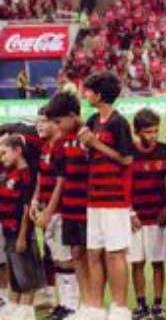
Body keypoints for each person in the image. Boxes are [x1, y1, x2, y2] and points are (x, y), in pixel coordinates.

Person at [80, 71, 135, 320]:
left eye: (88, 90)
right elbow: (90, 154)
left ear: (99, 94)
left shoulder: (118, 122)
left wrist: (95, 143)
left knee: (115, 253)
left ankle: (120, 307)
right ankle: (94, 307)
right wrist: (86, 146)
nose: (85, 94)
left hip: (114, 199)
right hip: (94, 198)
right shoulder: (92, 120)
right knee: (94, 252)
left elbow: (127, 158)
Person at [42, 93, 87, 320]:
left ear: (72, 115)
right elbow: (61, 179)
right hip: (69, 208)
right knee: (74, 256)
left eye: (58, 122)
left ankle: (88, 305)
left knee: (93, 258)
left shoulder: (89, 135)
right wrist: (48, 210)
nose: (56, 127)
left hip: (90, 209)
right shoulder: (60, 144)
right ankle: (76, 306)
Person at [31, 104, 76, 320]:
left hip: (60, 211)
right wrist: (34, 200)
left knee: (65, 259)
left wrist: (49, 211)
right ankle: (64, 303)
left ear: (54, 123)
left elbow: (62, 182)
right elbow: (41, 176)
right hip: (47, 209)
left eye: (43, 121)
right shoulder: (45, 147)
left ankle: (72, 305)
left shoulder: (60, 146)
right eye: (37, 121)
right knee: (56, 259)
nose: (39, 125)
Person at [128, 110, 166, 320]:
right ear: (137, 132)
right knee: (137, 262)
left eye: (155, 131)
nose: (153, 135)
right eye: (148, 131)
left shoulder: (165, 151)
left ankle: (157, 304)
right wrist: (129, 212)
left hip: (158, 217)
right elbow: (124, 185)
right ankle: (140, 304)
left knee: (157, 262)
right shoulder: (129, 152)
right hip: (135, 218)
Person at [0, 134, 42, 320]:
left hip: (20, 231)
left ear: (17, 151)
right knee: (15, 272)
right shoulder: (7, 172)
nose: (3, 158)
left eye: (4, 153)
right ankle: (14, 305)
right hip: (8, 230)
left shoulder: (26, 174)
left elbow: (26, 207)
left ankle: (26, 310)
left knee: (26, 272)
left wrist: (23, 235)